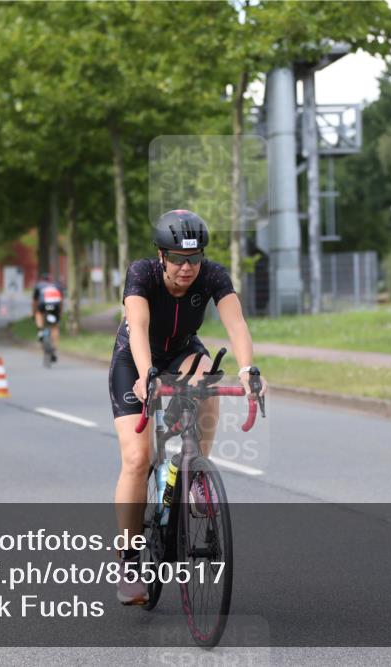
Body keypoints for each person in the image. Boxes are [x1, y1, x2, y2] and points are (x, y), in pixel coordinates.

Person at [108, 209, 268, 605]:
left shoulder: (212, 275)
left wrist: (248, 370)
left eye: (194, 259)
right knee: (137, 458)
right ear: (162, 256)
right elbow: (138, 326)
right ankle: (128, 560)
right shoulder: (142, 274)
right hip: (136, 359)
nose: (187, 268)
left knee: (208, 380)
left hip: (182, 352)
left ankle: (195, 471)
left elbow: (237, 324)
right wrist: (146, 375)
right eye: (178, 259)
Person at [32, 272, 63, 362]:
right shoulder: (57, 285)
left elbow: (35, 302)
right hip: (55, 305)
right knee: (54, 326)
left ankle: (40, 330)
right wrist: (60, 312)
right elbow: (61, 301)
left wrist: (34, 313)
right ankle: (54, 348)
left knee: (38, 314)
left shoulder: (39, 285)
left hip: (43, 305)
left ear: (42, 280)